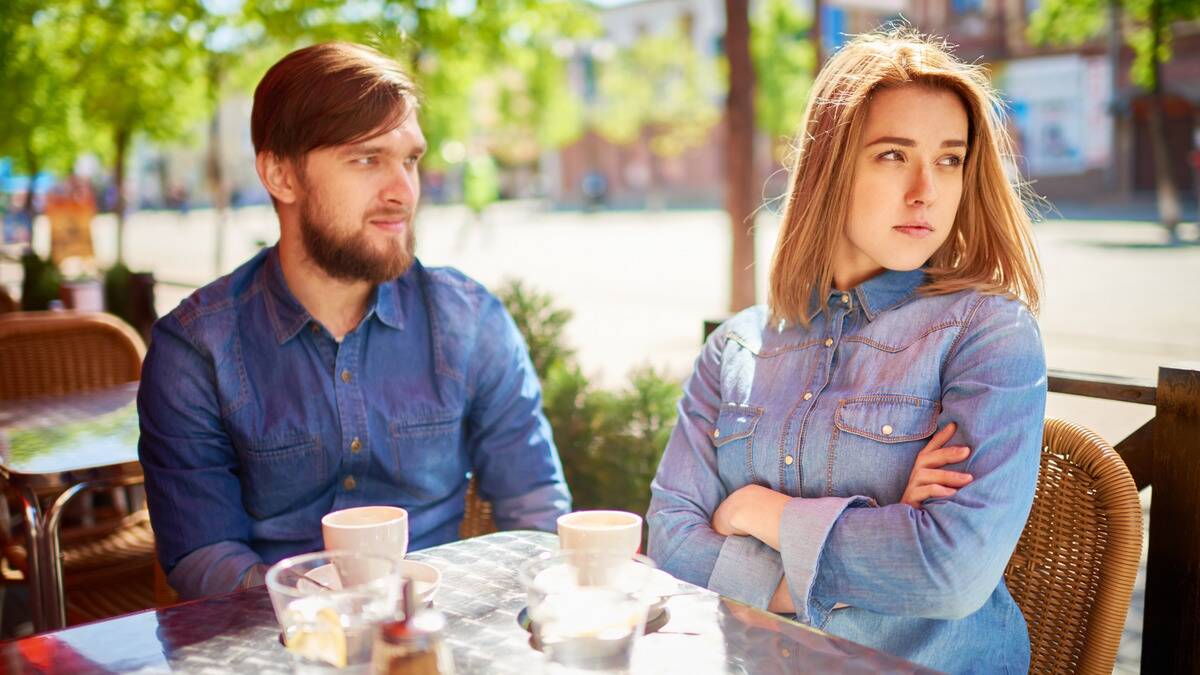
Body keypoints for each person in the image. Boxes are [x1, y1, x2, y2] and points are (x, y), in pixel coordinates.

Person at [647, 29, 1045, 674]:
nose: (927, 190)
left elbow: (949, 573)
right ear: (830, 167)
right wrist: (879, 537)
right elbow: (669, 537)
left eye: (950, 159)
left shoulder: (988, 332)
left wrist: (757, 511)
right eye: (893, 155)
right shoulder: (737, 345)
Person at [138, 42, 571, 600]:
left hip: (439, 631)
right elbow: (202, 554)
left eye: (410, 159)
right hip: (279, 641)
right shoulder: (197, 348)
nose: (403, 192)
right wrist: (316, 613)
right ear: (280, 174)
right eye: (367, 159)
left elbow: (534, 511)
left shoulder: (469, 322)